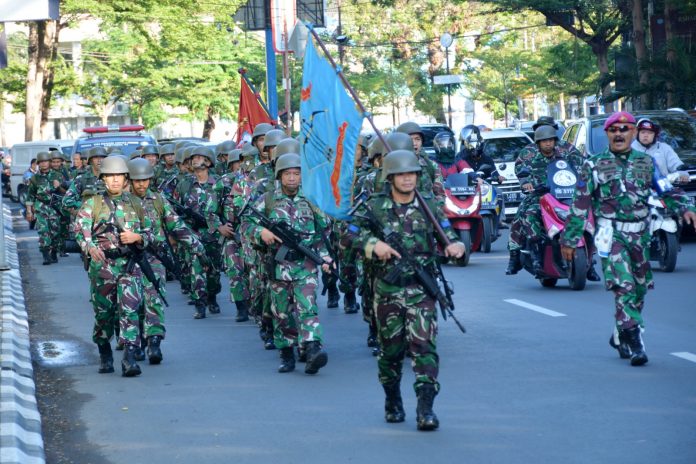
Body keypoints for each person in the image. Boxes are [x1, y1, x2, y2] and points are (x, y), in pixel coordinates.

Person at [560, 111, 696, 367]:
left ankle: (620, 331)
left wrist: (686, 208)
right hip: (611, 235)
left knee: (640, 289)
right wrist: (570, 239)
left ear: (633, 133)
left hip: (641, 235)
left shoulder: (646, 162)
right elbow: (580, 204)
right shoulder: (593, 164)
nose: (619, 133)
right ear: (607, 134)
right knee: (624, 286)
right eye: (614, 129)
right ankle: (635, 342)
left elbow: (666, 190)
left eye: (625, 129)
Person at [347, 149, 465, 431]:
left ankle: (426, 409)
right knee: (391, 353)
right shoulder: (374, 207)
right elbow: (347, 234)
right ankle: (392, 400)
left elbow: (447, 233)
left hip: (421, 290)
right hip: (387, 289)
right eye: (401, 174)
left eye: (411, 173)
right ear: (390, 177)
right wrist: (372, 245)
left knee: (425, 348)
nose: (408, 178)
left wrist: (455, 245)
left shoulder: (430, 206)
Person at [243, 153, 333, 375]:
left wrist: (326, 257)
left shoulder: (311, 199)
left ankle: (312, 348)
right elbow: (245, 223)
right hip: (278, 265)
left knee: (308, 306)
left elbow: (324, 231)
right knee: (282, 312)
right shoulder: (268, 199)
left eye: (296, 173)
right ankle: (286, 353)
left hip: (306, 264)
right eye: (287, 174)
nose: (292, 178)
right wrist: (260, 232)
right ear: (279, 175)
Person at [74, 156, 153, 377]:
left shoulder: (136, 203)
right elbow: (81, 229)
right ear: (103, 179)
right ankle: (104, 350)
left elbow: (153, 233)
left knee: (130, 310)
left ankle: (129, 358)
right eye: (110, 176)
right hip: (103, 266)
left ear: (126, 178)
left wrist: (138, 236)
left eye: (119, 176)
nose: (115, 180)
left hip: (129, 264)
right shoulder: (93, 203)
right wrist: (89, 246)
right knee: (104, 315)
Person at [128, 158, 205, 364]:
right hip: (128, 260)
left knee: (154, 299)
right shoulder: (122, 202)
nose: (141, 184)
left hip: (154, 258)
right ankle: (136, 344)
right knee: (134, 303)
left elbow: (176, 225)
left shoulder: (159, 200)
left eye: (145, 180)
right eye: (137, 180)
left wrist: (196, 246)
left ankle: (154, 342)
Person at [506, 126, 584, 276]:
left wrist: (585, 178)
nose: (548, 143)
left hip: (566, 194)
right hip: (539, 195)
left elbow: (581, 164)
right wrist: (525, 182)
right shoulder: (529, 153)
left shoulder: (566, 151)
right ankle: (522, 256)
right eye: (544, 141)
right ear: (538, 143)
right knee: (525, 215)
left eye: (550, 140)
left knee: (588, 214)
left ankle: (590, 260)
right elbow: (521, 168)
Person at [176, 146, 222, 319]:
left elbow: (225, 209)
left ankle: (212, 297)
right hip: (193, 235)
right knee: (196, 269)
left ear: (209, 162)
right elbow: (175, 210)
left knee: (214, 272)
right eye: (193, 158)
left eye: (200, 157)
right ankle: (200, 304)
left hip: (214, 234)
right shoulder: (184, 184)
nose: (195, 160)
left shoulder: (219, 183)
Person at [25, 152, 63, 265]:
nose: (43, 164)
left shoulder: (57, 175)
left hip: (55, 207)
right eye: (41, 162)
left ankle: (54, 251)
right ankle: (45, 255)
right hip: (41, 207)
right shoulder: (35, 178)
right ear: (38, 164)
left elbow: (66, 192)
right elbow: (30, 195)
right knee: (43, 231)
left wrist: (59, 186)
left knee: (55, 232)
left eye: (45, 161)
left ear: (49, 162)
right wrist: (28, 211)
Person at [631, 118, 690, 183]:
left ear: (655, 135)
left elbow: (676, 165)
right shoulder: (629, 149)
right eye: (643, 132)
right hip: (637, 190)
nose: (646, 135)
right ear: (637, 134)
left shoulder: (664, 148)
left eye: (650, 133)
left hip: (664, 188)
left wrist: (682, 174)